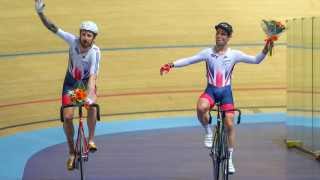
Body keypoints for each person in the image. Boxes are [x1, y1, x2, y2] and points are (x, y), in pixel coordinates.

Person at [160, 22, 273, 174]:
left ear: (229, 37)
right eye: (217, 33)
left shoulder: (234, 54)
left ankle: (230, 159)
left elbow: (255, 60)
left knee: (230, 125)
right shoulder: (207, 52)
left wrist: (266, 49)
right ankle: (208, 132)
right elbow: (189, 60)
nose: (219, 36)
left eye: (222, 34)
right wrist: (170, 64)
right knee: (201, 107)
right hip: (211, 92)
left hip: (226, 94)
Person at [35, 0, 101, 170]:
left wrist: (87, 98)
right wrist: (40, 13)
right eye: (83, 34)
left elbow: (93, 78)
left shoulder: (95, 52)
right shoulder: (72, 40)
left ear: (94, 38)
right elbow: (52, 28)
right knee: (68, 117)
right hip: (70, 84)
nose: (85, 38)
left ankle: (91, 139)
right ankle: (72, 152)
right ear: (80, 34)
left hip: (87, 83)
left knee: (92, 108)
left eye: (89, 35)